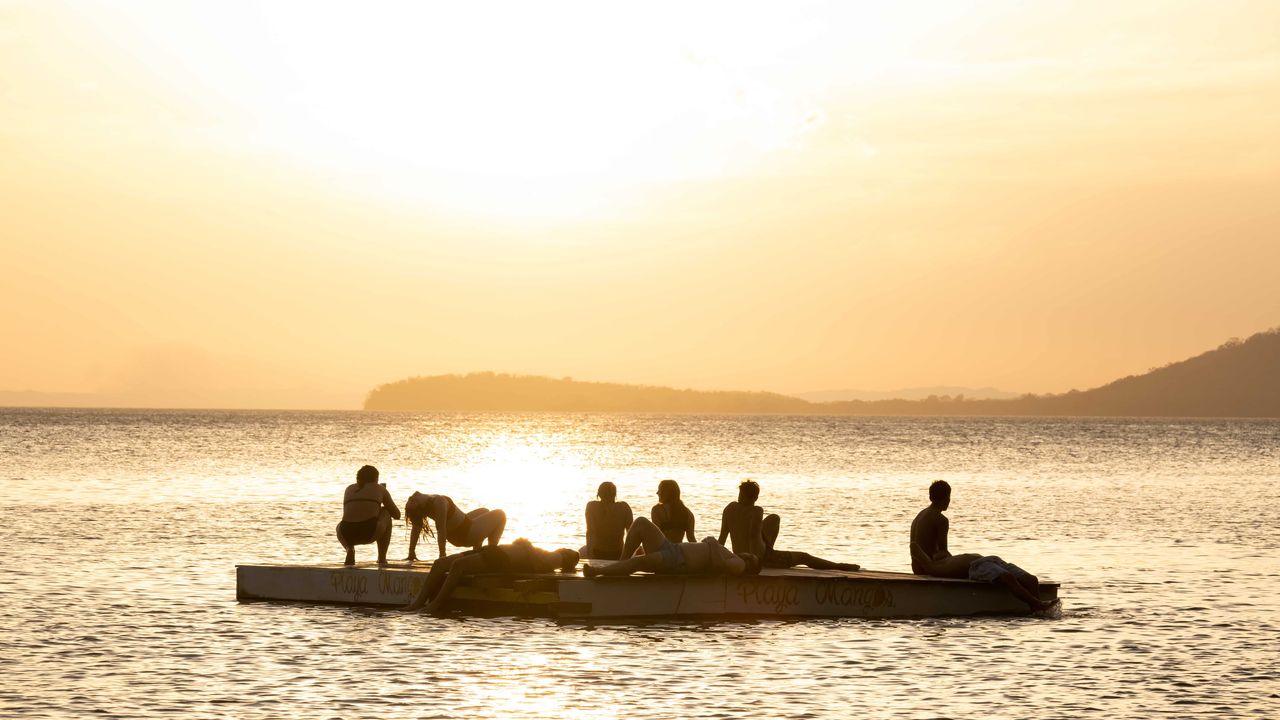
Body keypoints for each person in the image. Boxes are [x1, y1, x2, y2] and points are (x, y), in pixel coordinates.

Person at [909, 480, 1056, 612]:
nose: (949, 501)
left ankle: (1036, 610)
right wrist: (952, 564)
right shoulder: (940, 520)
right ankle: (1038, 605)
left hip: (981, 561)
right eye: (948, 498)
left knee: (1031, 580)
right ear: (947, 498)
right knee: (1009, 577)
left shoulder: (919, 516)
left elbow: (924, 553)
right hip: (975, 566)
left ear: (930, 497)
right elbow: (942, 552)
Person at [405, 539, 579, 613]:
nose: (566, 550)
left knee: (459, 566)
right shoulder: (549, 553)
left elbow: (540, 566)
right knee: (440, 563)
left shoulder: (560, 557)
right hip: (495, 551)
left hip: (502, 559)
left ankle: (436, 604)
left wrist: (527, 545)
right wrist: (525, 545)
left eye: (569, 552)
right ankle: (418, 603)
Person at [719, 480, 859, 571]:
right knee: (804, 557)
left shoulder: (729, 508)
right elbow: (752, 535)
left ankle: (768, 551)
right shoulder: (756, 511)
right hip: (759, 558)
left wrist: (720, 560)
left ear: (740, 494)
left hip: (739, 555)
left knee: (773, 518)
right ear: (755, 498)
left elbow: (722, 539)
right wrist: (754, 564)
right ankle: (838, 566)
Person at [582, 517, 760, 578]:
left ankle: (599, 572)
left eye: (752, 556)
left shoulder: (740, 564)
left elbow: (721, 566)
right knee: (641, 523)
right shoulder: (732, 555)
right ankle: (619, 564)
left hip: (677, 561)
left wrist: (712, 544)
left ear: (751, 563)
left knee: (639, 562)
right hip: (673, 549)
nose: (748, 554)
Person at [404, 491, 506, 562]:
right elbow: (441, 530)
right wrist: (442, 555)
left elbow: (416, 527)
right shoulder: (436, 502)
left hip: (461, 531)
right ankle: (491, 552)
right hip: (466, 534)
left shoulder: (425, 500)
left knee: (484, 511)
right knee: (501, 514)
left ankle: (476, 553)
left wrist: (411, 551)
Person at [336, 465, 401, 566]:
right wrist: (382, 499)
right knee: (386, 512)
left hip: (346, 533)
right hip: (369, 531)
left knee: (340, 524)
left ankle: (349, 549)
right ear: (376, 478)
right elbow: (397, 514)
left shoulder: (349, 488)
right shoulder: (379, 488)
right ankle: (382, 558)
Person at [582, 481, 633, 560]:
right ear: (615, 494)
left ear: (599, 494)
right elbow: (630, 533)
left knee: (581, 551)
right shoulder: (624, 507)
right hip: (618, 553)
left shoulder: (591, 506)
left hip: (598, 553)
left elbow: (590, 531)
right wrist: (626, 558)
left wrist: (590, 556)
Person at [651, 479, 695, 543]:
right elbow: (691, 539)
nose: (657, 493)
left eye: (659, 490)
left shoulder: (657, 510)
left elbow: (656, 537)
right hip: (679, 550)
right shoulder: (688, 513)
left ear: (666, 493)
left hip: (663, 550)